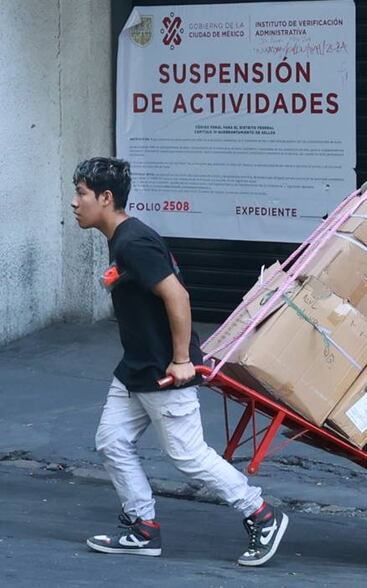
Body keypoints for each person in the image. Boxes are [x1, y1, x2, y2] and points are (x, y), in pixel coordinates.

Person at [70, 157, 289, 566]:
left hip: (163, 371)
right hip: (135, 368)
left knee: (188, 456)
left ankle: (261, 514)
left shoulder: (133, 241)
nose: (74, 202)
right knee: (112, 442)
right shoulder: (122, 238)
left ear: (105, 197)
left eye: (81, 193)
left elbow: (178, 297)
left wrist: (181, 360)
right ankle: (142, 527)